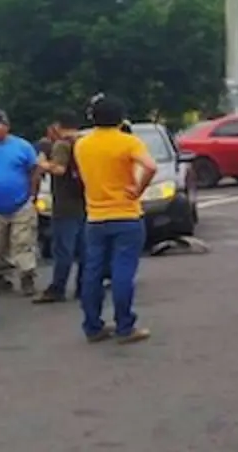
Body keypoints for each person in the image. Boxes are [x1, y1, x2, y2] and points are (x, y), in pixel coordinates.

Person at [74, 94, 157, 343]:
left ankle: (92, 325)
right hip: (126, 214)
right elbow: (150, 166)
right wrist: (138, 189)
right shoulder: (128, 142)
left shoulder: (82, 144)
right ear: (121, 118)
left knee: (93, 272)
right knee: (122, 272)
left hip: (95, 216)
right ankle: (124, 326)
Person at [0, 109, 42, 298]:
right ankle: (2, 277)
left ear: (6, 126)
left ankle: (26, 276)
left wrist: (32, 194)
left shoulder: (22, 146)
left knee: (22, 242)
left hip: (21, 203)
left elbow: (34, 170)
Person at [33, 110, 87, 304]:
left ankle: (58, 287)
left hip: (65, 205)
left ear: (58, 125)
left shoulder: (62, 145)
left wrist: (43, 163)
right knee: (84, 249)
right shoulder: (84, 142)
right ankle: (84, 286)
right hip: (86, 202)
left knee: (63, 248)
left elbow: (59, 169)